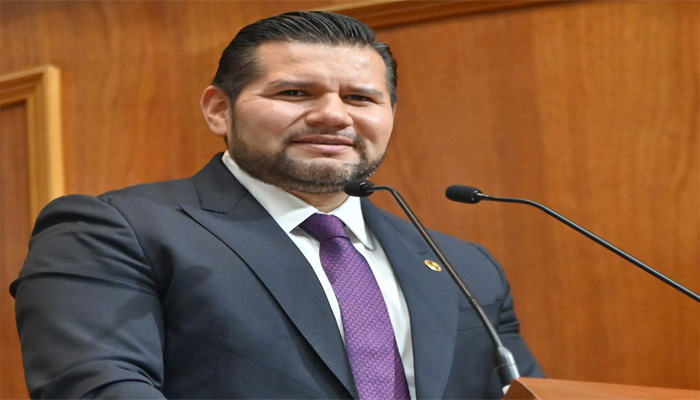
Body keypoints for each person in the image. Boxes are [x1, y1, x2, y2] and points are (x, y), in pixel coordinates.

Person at [11, 11, 542, 399]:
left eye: (360, 98)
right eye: (295, 93)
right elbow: (97, 387)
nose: (334, 115)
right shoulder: (113, 230)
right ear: (219, 110)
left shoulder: (465, 267)